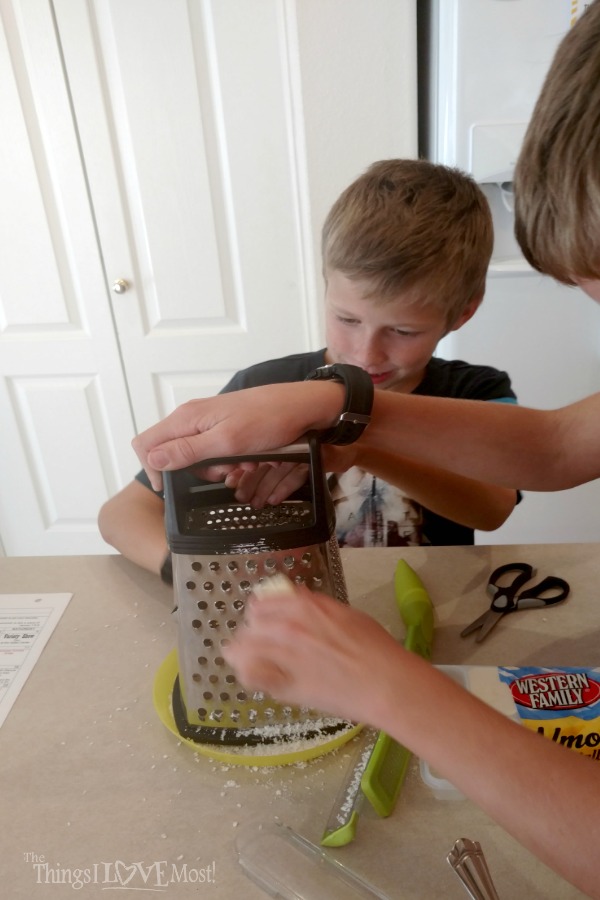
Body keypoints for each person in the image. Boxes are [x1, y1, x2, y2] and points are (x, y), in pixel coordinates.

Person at [131, 4, 600, 895]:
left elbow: (501, 491)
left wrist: (393, 689)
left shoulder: (470, 379)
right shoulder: (286, 375)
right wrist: (343, 409)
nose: (369, 348)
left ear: (456, 318)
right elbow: (558, 442)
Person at [99, 159, 520, 576]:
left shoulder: (477, 391)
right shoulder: (263, 391)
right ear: (325, 285)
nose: (366, 353)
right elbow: (123, 512)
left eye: (403, 331)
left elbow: (492, 507)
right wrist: (192, 574)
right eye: (347, 319)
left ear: (462, 314)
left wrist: (364, 447)